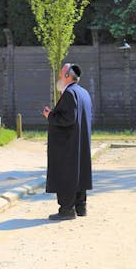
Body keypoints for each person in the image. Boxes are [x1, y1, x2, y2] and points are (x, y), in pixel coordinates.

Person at [42, 63, 93, 220]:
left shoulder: (70, 93)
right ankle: (80, 207)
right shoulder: (84, 93)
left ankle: (66, 210)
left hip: (67, 143)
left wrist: (50, 116)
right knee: (79, 172)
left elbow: (68, 119)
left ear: (67, 76)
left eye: (61, 74)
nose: (59, 76)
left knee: (66, 174)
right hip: (81, 141)